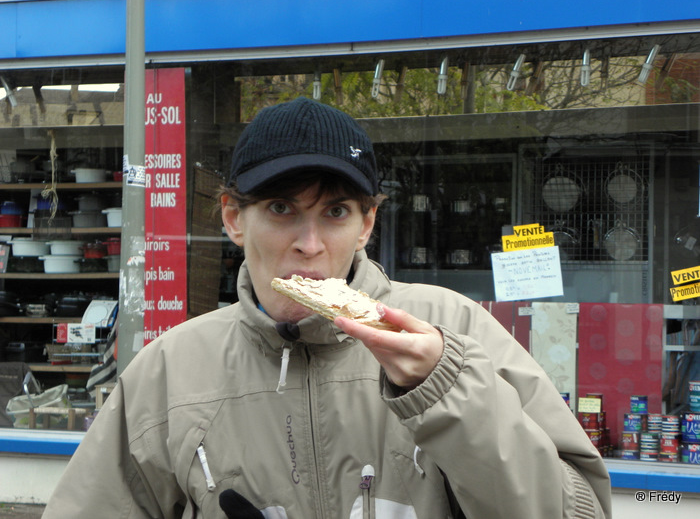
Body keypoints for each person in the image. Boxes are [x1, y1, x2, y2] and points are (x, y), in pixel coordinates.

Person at [43, 97, 612, 518]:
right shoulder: (171, 369)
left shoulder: (455, 329)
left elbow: (581, 511)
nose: (310, 244)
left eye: (336, 211)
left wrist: (451, 394)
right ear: (235, 219)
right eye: (283, 207)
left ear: (367, 224)